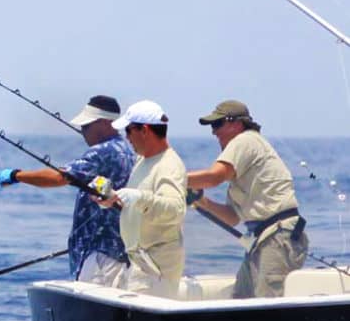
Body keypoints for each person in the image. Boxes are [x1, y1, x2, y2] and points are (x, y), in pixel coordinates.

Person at [0, 95, 135, 286]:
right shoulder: (127, 150)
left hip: (99, 256)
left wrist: (16, 175)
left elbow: (60, 177)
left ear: (104, 123)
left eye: (86, 125)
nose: (82, 130)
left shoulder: (102, 152)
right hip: (119, 250)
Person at [187, 100, 308, 298]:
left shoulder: (245, 140)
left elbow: (215, 177)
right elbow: (233, 217)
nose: (214, 132)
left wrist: (172, 178)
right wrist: (201, 200)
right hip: (262, 239)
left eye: (217, 124)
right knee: (241, 299)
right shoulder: (242, 164)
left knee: (266, 309)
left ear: (236, 123)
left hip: (278, 237)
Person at [97, 100, 187, 298]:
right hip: (138, 263)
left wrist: (139, 197)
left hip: (156, 269)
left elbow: (176, 210)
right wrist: (113, 199)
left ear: (144, 130)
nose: (127, 137)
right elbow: (140, 206)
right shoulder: (143, 161)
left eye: (129, 131)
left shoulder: (169, 165)